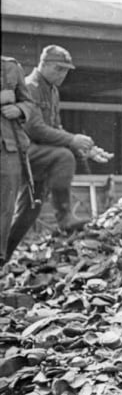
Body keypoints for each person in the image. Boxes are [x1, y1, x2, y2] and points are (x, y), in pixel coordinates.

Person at [6, 45, 95, 256]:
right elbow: (34, 128)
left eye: (66, 70)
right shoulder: (29, 86)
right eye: (58, 69)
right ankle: (65, 217)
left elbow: (55, 127)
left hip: (38, 156)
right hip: (20, 152)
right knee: (63, 157)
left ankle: (3, 257)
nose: (62, 75)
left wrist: (81, 146)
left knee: (30, 209)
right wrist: (71, 141)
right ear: (43, 65)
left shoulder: (53, 91)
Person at [1, 56, 34, 265]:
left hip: (8, 148)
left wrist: (19, 109)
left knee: (5, 206)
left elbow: (29, 103)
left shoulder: (11, 67)